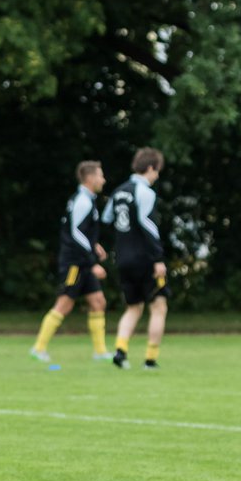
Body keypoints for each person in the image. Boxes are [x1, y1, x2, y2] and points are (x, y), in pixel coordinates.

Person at [30, 161, 112, 362]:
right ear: (90, 178)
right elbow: (75, 233)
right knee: (64, 304)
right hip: (75, 263)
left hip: (83, 261)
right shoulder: (82, 201)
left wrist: (94, 245)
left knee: (98, 302)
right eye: (100, 176)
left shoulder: (87, 200)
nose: (103, 180)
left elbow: (81, 232)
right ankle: (38, 348)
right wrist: (92, 261)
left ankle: (100, 352)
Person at [101, 147, 169, 369]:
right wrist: (158, 257)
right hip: (145, 259)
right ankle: (150, 359)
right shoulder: (145, 191)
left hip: (123, 258)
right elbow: (147, 223)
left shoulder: (119, 191)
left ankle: (120, 352)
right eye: (157, 171)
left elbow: (107, 217)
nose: (157, 176)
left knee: (133, 307)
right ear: (150, 168)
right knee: (158, 306)